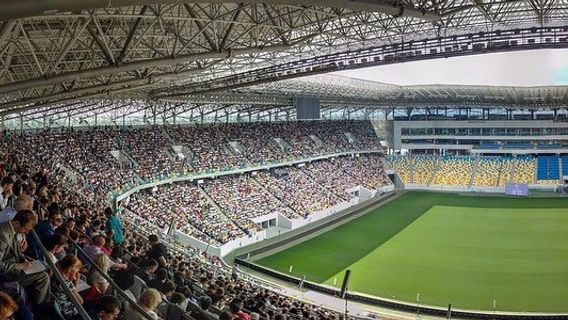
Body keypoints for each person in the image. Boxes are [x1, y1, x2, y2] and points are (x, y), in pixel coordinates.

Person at [0, 210, 50, 306]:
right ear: (17, 222)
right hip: (7, 274)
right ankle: (40, 307)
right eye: (25, 229)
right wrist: (21, 266)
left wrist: (26, 258)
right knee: (44, 277)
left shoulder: (11, 229)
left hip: (14, 266)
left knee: (45, 267)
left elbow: (15, 253)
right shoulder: (3, 235)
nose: (26, 233)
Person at [53, 255, 84, 320]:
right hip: (68, 313)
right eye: (76, 272)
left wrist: (73, 282)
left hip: (59, 307)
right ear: (69, 269)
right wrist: (75, 283)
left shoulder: (55, 273)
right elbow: (80, 301)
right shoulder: (67, 283)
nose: (76, 274)